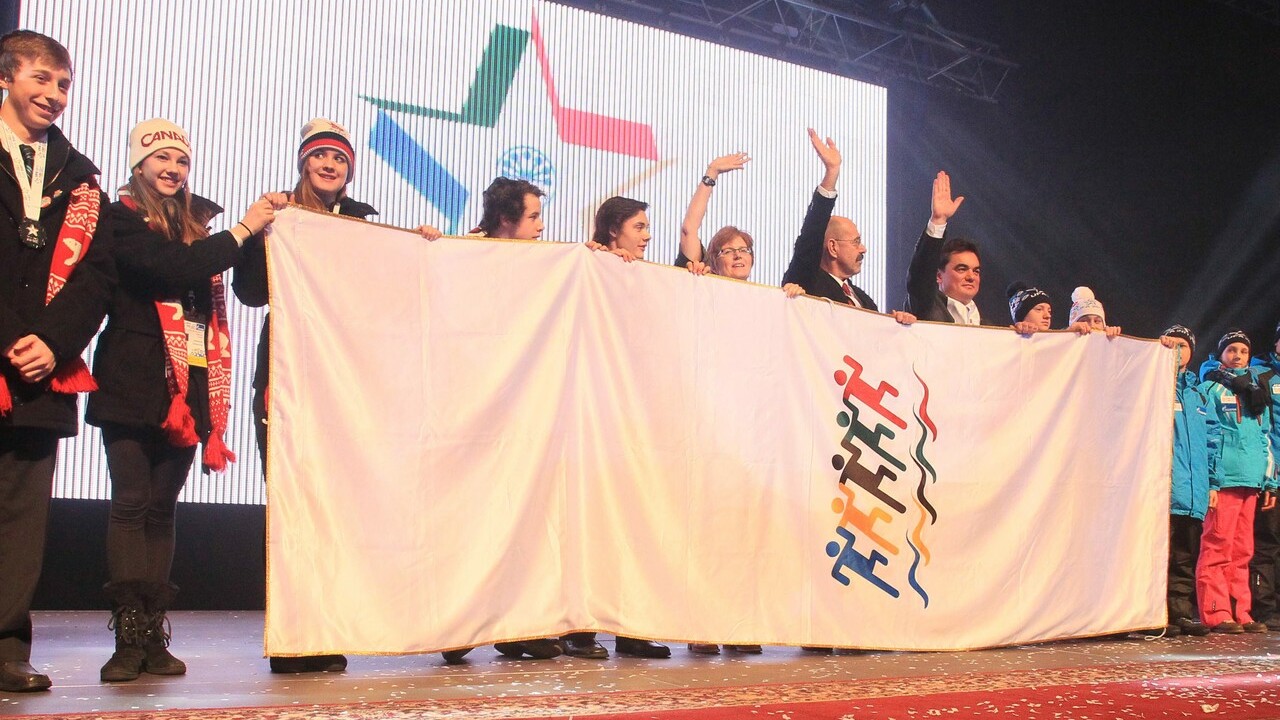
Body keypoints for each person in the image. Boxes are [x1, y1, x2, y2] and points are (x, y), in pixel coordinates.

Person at [233, 118, 439, 674]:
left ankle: (326, 628)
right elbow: (249, 293)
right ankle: (293, 638)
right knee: (292, 506)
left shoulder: (362, 222)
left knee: (337, 508)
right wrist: (257, 234)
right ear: (304, 162)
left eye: (340, 159)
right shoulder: (278, 215)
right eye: (321, 156)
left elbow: (390, 291)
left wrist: (419, 248)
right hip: (286, 378)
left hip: (345, 386)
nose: (329, 166)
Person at [85, 119, 271, 682]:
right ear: (139, 164)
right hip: (133, 376)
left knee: (163, 507)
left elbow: (214, 275)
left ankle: (153, 632)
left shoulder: (196, 225)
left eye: (181, 160)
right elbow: (169, 267)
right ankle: (127, 639)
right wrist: (244, 228)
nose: (172, 168)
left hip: (188, 382)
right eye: (161, 158)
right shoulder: (118, 216)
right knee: (131, 502)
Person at [0, 29, 116, 694]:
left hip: (44, 371)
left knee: (22, 519)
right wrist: (11, 336)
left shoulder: (79, 176)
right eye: (41, 79)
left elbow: (97, 276)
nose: (53, 94)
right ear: (6, 78)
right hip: (6, 351)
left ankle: (6, 647)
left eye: (63, 84)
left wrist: (52, 341)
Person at [440, 176, 563, 665]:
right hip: (472, 410)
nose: (541, 226)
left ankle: (516, 626)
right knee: (471, 517)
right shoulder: (464, 254)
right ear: (507, 219)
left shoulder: (546, 264)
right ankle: (460, 623)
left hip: (525, 411)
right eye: (532, 217)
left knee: (521, 515)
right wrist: (431, 247)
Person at [556, 197, 671, 661]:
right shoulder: (589, 265)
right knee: (589, 525)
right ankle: (579, 627)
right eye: (639, 226)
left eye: (647, 226)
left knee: (632, 523)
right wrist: (598, 261)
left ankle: (631, 626)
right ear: (612, 230)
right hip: (588, 419)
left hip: (634, 422)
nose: (647, 235)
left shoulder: (646, 278)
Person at [1196, 330, 1276, 633]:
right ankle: (1216, 610)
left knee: (1243, 549)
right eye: (1231, 350)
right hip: (1225, 479)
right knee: (1217, 545)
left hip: (1251, 480)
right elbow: (1209, 437)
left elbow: (1265, 439)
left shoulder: (1256, 392)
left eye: (1243, 351)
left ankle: (1240, 609)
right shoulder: (1211, 388)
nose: (1238, 356)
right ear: (1220, 355)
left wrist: (1269, 481)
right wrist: (1212, 482)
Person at [1157, 325, 1212, 637]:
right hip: (1165, 489)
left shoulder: (1199, 393)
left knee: (1185, 556)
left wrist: (1214, 484)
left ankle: (1180, 613)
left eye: (1184, 345)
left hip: (1194, 492)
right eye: (1173, 343)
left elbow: (1212, 441)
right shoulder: (1154, 384)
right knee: (1160, 555)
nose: (1178, 350)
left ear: (1192, 351)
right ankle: (1156, 613)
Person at [904, 171, 982, 325]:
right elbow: (920, 277)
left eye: (976, 271)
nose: (971, 277)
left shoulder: (990, 327)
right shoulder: (926, 308)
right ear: (938, 276)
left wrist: (1024, 333)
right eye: (961, 269)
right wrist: (938, 221)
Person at [1249, 321, 1280, 630]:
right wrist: (1269, 476)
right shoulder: (1261, 374)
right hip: (1273, 474)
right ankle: (1265, 608)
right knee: (1267, 543)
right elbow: (1216, 370)